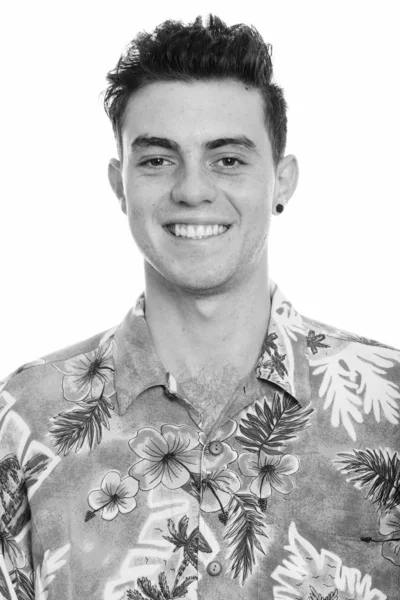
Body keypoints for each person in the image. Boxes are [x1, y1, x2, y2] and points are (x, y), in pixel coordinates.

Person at [0, 13, 399, 600]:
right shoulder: (25, 419)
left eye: (228, 159)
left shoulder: (389, 410)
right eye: (158, 159)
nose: (191, 189)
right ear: (120, 185)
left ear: (282, 181)